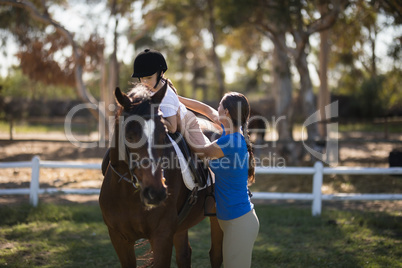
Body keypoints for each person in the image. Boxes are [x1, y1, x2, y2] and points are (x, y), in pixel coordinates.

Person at [178, 92, 260, 268]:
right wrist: (176, 98)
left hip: (239, 222)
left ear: (228, 112)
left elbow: (200, 150)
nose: (217, 109)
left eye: (220, 107)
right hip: (233, 221)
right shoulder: (229, 132)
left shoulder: (231, 141)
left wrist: (184, 127)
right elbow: (205, 109)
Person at [131, 49, 210, 148]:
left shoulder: (167, 97)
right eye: (141, 78)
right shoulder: (148, 88)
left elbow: (172, 128)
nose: (144, 82)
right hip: (168, 121)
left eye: (149, 78)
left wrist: (152, 116)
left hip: (187, 124)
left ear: (160, 73)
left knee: (203, 153)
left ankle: (210, 162)